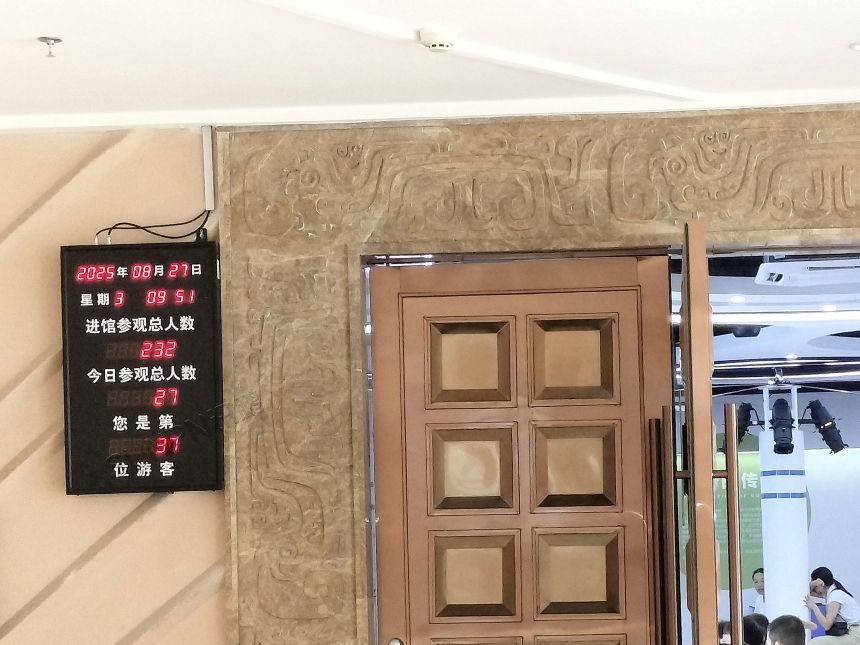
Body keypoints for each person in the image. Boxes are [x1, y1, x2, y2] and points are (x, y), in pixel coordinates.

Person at [805, 566, 860, 642]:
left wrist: (814, 607)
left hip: (855, 634)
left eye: (815, 587)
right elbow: (807, 591)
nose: (815, 589)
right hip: (854, 633)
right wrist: (815, 583)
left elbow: (826, 625)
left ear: (822, 584)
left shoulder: (835, 595)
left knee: (813, 642)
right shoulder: (833, 593)